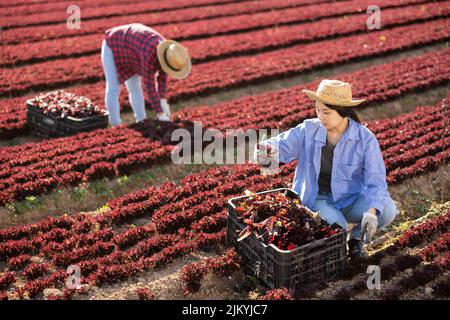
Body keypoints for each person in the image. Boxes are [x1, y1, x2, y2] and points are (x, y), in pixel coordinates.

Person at [254, 79, 399, 258]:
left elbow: (376, 181)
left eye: (326, 112)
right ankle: (339, 233)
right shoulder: (308, 130)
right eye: (318, 110)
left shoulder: (364, 139)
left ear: (343, 112)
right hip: (317, 199)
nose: (320, 117)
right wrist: (266, 149)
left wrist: (371, 213)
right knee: (337, 230)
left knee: (387, 210)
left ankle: (356, 239)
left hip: (350, 199)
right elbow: (280, 144)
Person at [101, 23, 192, 126]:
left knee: (135, 88)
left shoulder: (168, 54)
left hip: (132, 50)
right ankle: (116, 125)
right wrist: (160, 113)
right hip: (114, 44)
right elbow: (150, 86)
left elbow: (162, 79)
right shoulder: (150, 52)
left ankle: (141, 121)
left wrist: (163, 100)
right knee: (113, 88)